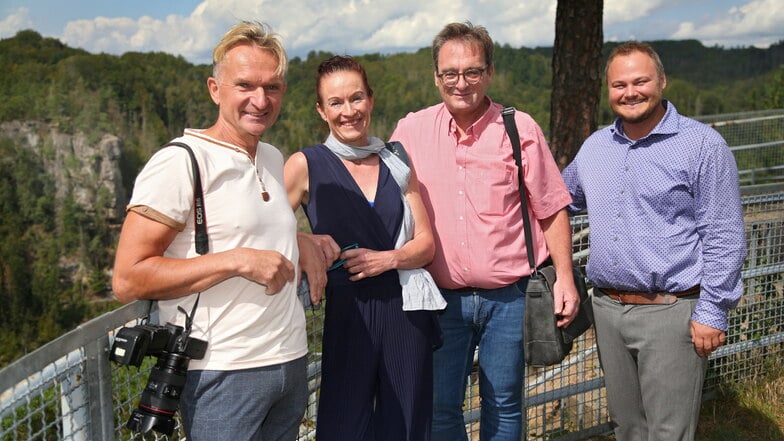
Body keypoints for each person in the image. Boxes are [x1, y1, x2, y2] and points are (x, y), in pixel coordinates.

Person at [111, 21, 338, 441]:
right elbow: (128, 278)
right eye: (245, 86)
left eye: (272, 87)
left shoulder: (270, 156)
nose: (260, 99)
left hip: (289, 361)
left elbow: (252, 227)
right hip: (222, 371)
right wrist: (237, 262)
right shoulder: (181, 163)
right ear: (215, 89)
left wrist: (299, 240)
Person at [390, 22, 580, 441]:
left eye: (472, 72)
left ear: (490, 73)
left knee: (506, 402)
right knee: (441, 405)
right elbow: (382, 199)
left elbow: (551, 208)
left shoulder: (519, 129)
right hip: (440, 299)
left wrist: (565, 276)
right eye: (450, 73)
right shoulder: (410, 132)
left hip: (510, 298)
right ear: (436, 76)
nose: (461, 83)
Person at [561, 41, 747, 441]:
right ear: (608, 90)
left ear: (662, 81)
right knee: (626, 427)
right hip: (608, 310)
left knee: (668, 432)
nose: (630, 92)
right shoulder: (595, 148)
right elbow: (560, 199)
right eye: (619, 84)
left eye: (641, 81)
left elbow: (724, 233)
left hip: (671, 312)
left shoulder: (701, 146)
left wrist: (713, 310)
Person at [283, 55, 443, 441]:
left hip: (406, 312)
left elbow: (426, 245)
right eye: (336, 102)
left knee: (406, 427)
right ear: (321, 111)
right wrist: (303, 239)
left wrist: (388, 259)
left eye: (356, 98)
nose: (348, 111)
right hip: (347, 313)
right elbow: (264, 228)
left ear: (370, 99)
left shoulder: (396, 160)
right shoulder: (306, 164)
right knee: (343, 426)